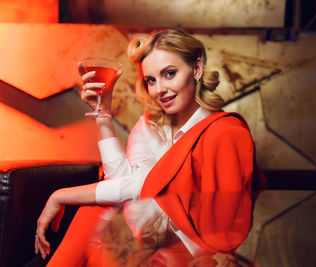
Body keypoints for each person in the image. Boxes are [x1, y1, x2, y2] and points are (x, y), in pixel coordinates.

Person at [35, 29, 267, 266]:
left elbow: (146, 186)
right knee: (93, 213)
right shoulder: (149, 125)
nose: (159, 90)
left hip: (190, 251)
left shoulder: (223, 132)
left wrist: (60, 195)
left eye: (169, 74)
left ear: (197, 69)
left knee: (94, 212)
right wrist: (103, 114)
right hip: (147, 238)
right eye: (151, 80)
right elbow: (123, 182)